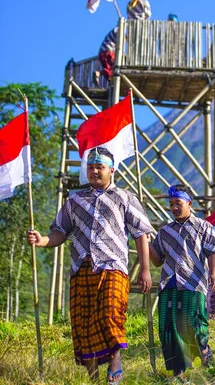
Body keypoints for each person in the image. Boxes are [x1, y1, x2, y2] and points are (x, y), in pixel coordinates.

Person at [27, 146, 153, 384]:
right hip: (81, 268)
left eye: (100, 167)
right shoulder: (75, 200)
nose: (95, 171)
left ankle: (115, 362)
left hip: (113, 266)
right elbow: (60, 233)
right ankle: (94, 378)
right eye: (91, 167)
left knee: (111, 313)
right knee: (83, 324)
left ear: (112, 170)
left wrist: (145, 269)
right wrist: (41, 240)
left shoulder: (125, 198)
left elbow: (141, 234)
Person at [149, 185, 215, 377]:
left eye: (178, 203)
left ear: (189, 203)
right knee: (169, 327)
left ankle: (204, 352)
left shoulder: (203, 227)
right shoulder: (164, 232)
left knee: (194, 322)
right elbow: (157, 261)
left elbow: (213, 251)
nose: (174, 207)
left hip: (194, 281)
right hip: (169, 283)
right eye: (171, 204)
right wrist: (146, 242)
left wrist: (213, 273)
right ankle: (177, 371)